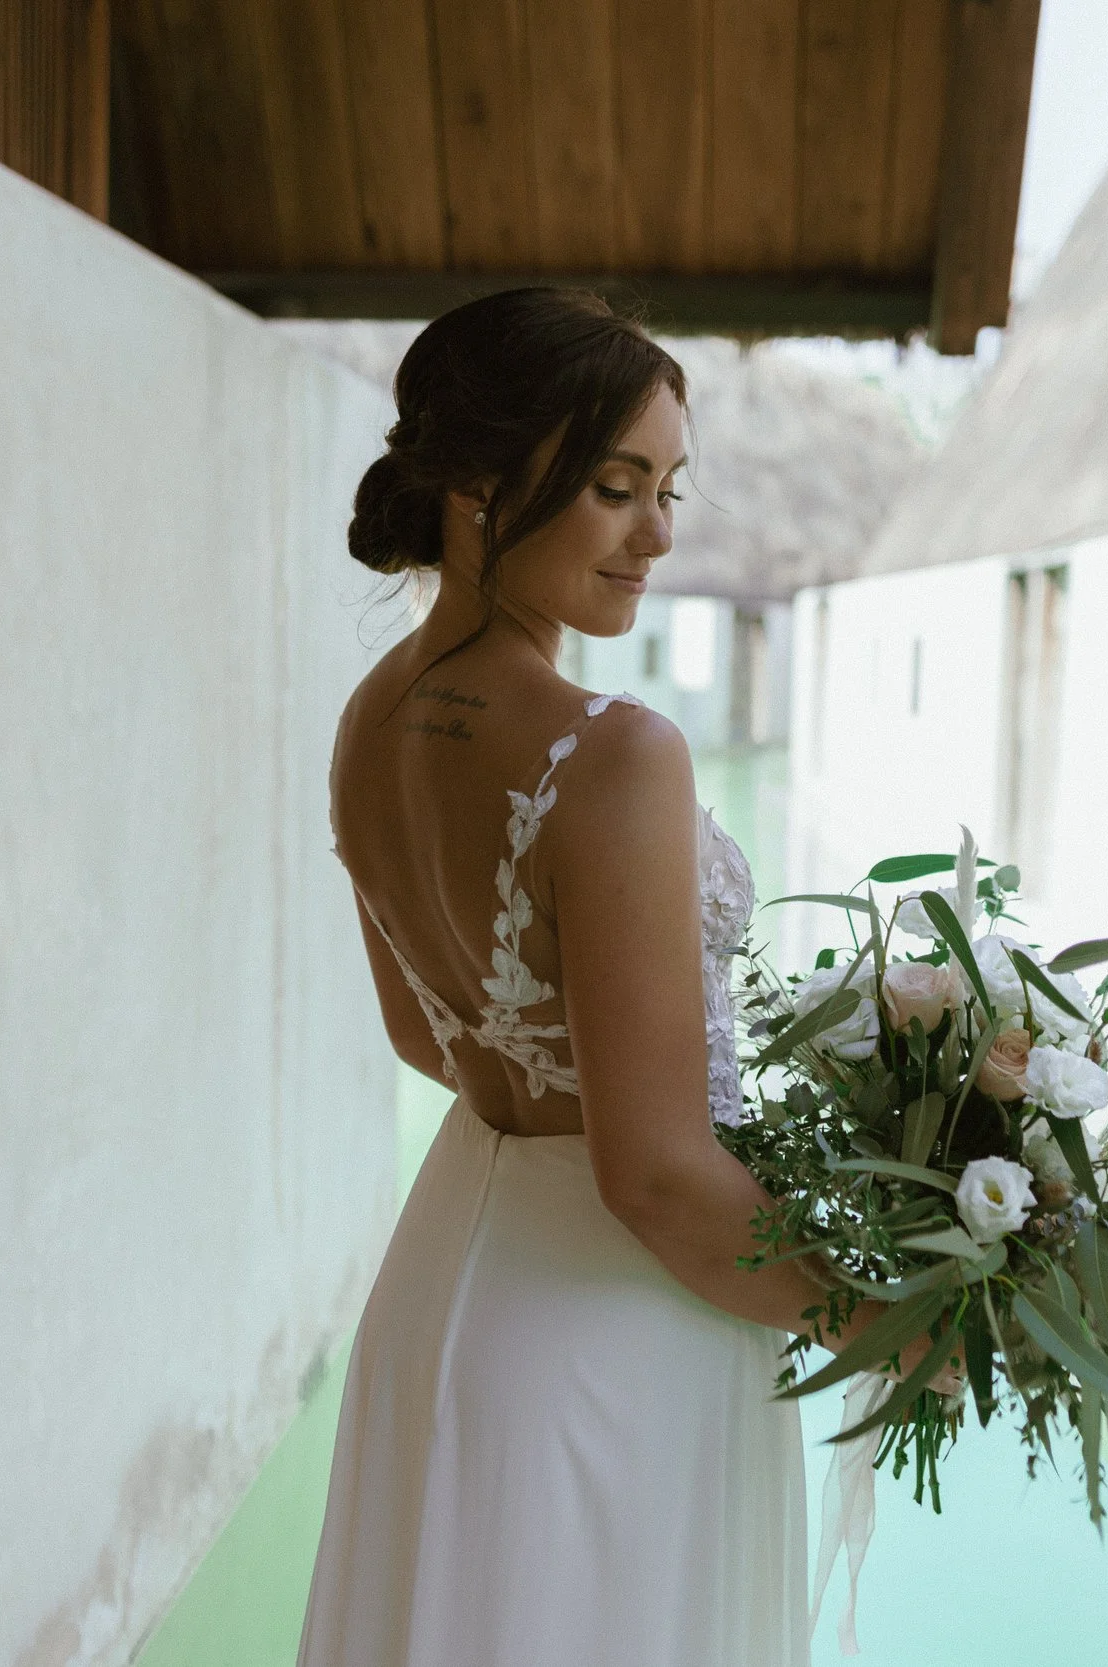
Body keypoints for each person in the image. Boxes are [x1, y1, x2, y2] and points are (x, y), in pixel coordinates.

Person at [299, 289, 908, 1667]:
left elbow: (425, 1035)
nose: (659, 533)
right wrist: (888, 1323)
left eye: (669, 490)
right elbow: (655, 1174)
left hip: (445, 1280)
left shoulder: (368, 718)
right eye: (616, 486)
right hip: (608, 1345)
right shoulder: (618, 753)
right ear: (477, 486)